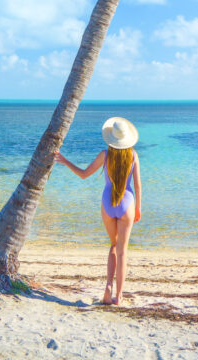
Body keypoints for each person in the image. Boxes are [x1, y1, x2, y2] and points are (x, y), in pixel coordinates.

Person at [55, 116, 141, 305]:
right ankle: (119, 296)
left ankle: (108, 287)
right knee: (122, 251)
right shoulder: (133, 155)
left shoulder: (105, 155)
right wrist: (139, 208)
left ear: (111, 138)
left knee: (113, 245)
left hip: (107, 204)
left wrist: (65, 161)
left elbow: (84, 174)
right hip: (127, 204)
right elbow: (137, 185)